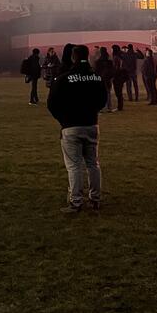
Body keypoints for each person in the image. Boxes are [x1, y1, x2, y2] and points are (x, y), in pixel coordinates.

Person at [47, 44, 105, 213]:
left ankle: (76, 201)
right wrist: (92, 112)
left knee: (74, 166)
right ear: (88, 56)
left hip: (70, 126)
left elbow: (52, 104)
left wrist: (63, 119)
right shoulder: (96, 77)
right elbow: (103, 99)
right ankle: (95, 199)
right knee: (93, 164)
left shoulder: (64, 78)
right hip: (91, 124)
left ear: (73, 57)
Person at [95, 46, 115, 112]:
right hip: (108, 79)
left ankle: (103, 107)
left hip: (101, 79)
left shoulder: (98, 62)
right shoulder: (109, 62)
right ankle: (109, 107)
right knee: (108, 93)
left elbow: (96, 71)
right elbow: (112, 71)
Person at [111, 45, 127, 111]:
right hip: (121, 77)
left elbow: (116, 68)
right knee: (119, 92)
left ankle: (119, 107)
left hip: (117, 77)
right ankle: (120, 106)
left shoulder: (116, 58)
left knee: (118, 93)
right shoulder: (121, 57)